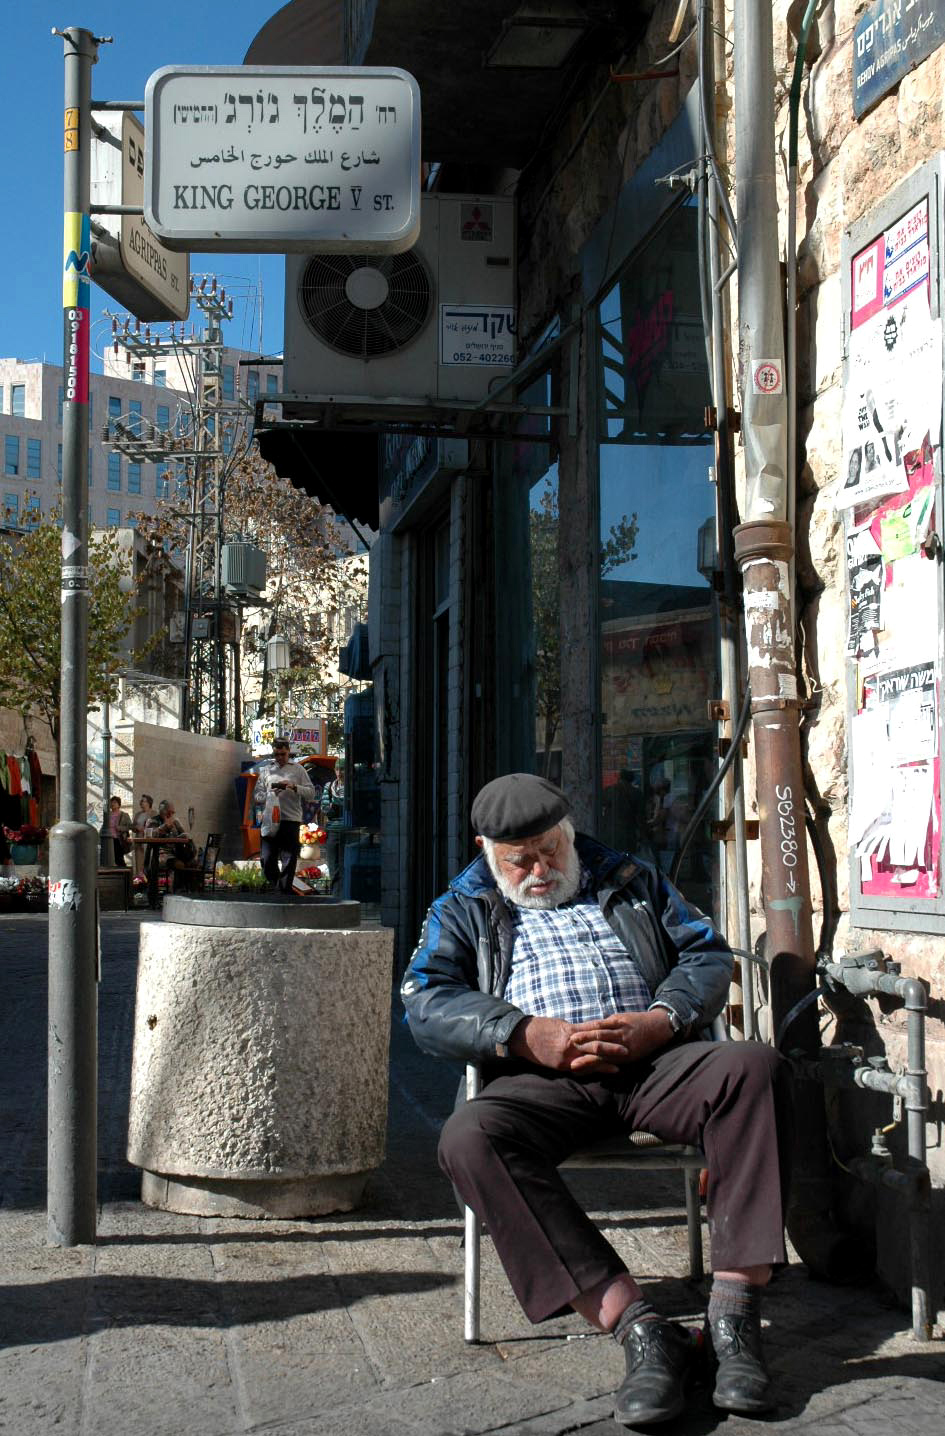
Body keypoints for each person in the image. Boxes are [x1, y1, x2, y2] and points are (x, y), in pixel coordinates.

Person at [402, 773, 792, 1428]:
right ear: (485, 849)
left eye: (549, 848)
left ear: (568, 830)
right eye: (517, 859)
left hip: (651, 1061)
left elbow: (706, 953)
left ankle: (733, 1316)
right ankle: (638, 1327)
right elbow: (425, 1003)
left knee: (751, 1068)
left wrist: (661, 1019)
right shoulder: (461, 905)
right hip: (539, 1080)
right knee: (468, 1138)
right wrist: (519, 1033)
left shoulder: (630, 879)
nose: (537, 868)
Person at [255, 737, 316, 893]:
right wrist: (270, 793)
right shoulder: (266, 770)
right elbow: (257, 796)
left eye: (283, 754)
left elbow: (311, 794)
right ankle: (277, 885)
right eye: (277, 754)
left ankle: (284, 892)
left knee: (289, 859)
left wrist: (294, 787)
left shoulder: (298, 770)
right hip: (270, 820)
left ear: (288, 752)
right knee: (267, 859)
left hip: (290, 820)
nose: (280, 758)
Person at [321, 757, 346, 896]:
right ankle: (336, 897)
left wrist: (335, 807)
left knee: (345, 867)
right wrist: (333, 808)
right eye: (337, 769)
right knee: (333, 867)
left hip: (349, 831)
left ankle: (345, 897)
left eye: (342, 769)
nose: (339, 772)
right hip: (332, 830)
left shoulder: (353, 786)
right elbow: (325, 808)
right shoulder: (329, 786)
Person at [101, 795, 132, 866]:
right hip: (108, 839)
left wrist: (120, 828)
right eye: (111, 802)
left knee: (119, 858)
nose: (112, 804)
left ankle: (124, 873)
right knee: (110, 857)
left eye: (115, 802)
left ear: (119, 804)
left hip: (118, 839)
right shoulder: (107, 815)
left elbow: (130, 826)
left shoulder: (124, 815)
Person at [132, 793, 155, 875]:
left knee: (148, 863)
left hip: (149, 841)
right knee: (139, 863)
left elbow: (155, 827)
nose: (141, 802)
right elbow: (133, 826)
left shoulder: (154, 814)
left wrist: (145, 829)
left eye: (143, 801)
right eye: (141, 801)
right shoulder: (138, 814)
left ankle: (149, 882)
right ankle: (139, 882)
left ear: (149, 803)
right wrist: (136, 828)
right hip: (139, 840)